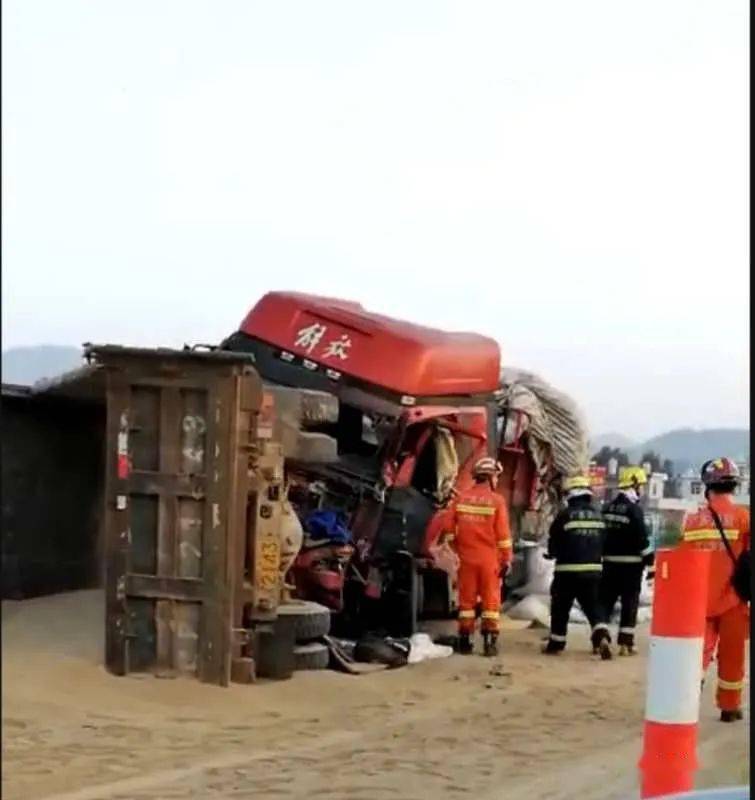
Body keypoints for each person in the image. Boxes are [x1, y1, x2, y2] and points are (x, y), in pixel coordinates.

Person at [680, 458, 750, 723]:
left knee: (697, 652)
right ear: (733, 485)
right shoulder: (744, 518)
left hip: (698, 598)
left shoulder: (693, 520)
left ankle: (685, 699)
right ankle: (729, 707)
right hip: (734, 598)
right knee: (732, 655)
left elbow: (682, 559)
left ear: (707, 485)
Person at [448, 457, 512, 657]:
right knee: (490, 601)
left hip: (465, 558)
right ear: (491, 477)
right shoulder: (497, 501)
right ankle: (490, 642)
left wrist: (456, 551)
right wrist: (506, 560)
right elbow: (503, 536)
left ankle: (465, 640)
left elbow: (449, 531)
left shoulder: (460, 499)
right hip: (489, 560)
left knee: (466, 601)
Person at [543, 474, 612, 659]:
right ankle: (602, 636)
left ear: (571, 495)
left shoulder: (564, 516)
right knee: (594, 606)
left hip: (566, 571)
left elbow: (553, 544)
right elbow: (605, 542)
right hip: (593, 572)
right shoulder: (599, 516)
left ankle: (557, 642)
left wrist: (552, 553)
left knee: (560, 607)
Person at [593, 466, 654, 656]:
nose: (642, 489)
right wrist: (651, 564)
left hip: (609, 564)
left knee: (604, 602)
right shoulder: (634, 510)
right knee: (629, 603)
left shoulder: (606, 508)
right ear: (634, 484)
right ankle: (625, 644)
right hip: (631, 567)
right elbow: (642, 540)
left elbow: (599, 536)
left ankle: (601, 636)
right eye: (641, 485)